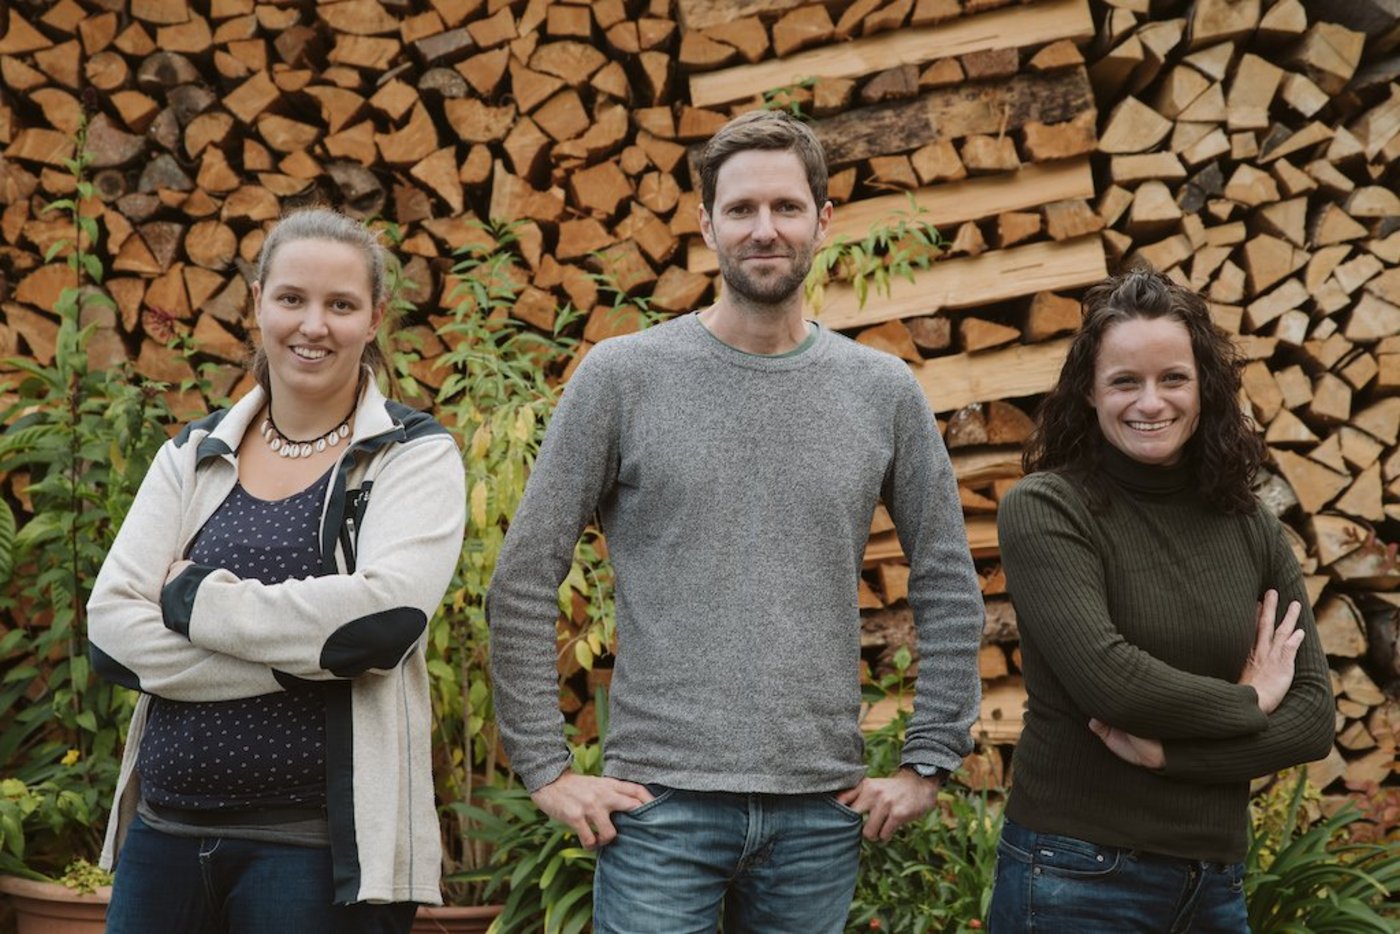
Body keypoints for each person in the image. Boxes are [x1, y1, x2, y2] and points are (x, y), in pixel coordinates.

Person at [487, 109, 984, 932]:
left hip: (820, 809)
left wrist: (929, 760)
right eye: (741, 209)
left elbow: (946, 581)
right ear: (706, 224)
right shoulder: (624, 377)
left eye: (786, 207)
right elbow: (526, 576)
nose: (764, 229)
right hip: (658, 806)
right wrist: (545, 767)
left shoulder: (881, 391)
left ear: (823, 221)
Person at [87, 208, 466, 933]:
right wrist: (305, 660)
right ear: (258, 301)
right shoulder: (193, 454)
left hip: (318, 851)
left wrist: (191, 596)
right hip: (164, 838)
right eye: (292, 298)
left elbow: (378, 625)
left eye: (341, 305)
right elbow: (111, 633)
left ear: (375, 318)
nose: (313, 325)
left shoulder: (411, 455)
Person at [987, 269, 1334, 932]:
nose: (1150, 403)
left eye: (1173, 378)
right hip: (1076, 877)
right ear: (1089, 392)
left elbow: (1314, 716)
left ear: (1204, 387)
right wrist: (1252, 699)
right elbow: (1111, 680)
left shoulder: (1248, 523)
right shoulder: (1048, 508)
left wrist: (1173, 757)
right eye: (1125, 381)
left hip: (1215, 885)